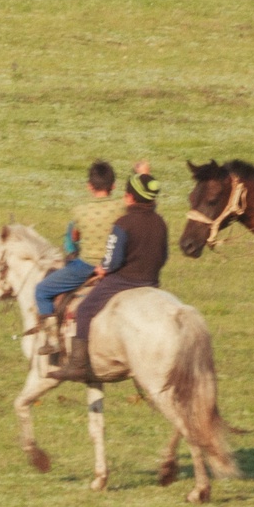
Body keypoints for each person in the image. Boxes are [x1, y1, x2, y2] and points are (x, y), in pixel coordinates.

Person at [50, 164, 167, 383]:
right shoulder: (160, 222)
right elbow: (164, 255)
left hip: (123, 281)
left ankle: (77, 364)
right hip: (152, 281)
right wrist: (143, 174)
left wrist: (103, 269)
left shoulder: (123, 223)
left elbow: (112, 260)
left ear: (129, 198)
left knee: (84, 310)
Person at [33, 161, 117, 335]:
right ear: (113, 186)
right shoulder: (121, 207)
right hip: (115, 265)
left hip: (87, 267)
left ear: (89, 187)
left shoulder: (80, 211)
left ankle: (52, 338)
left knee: (42, 290)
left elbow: (74, 237)